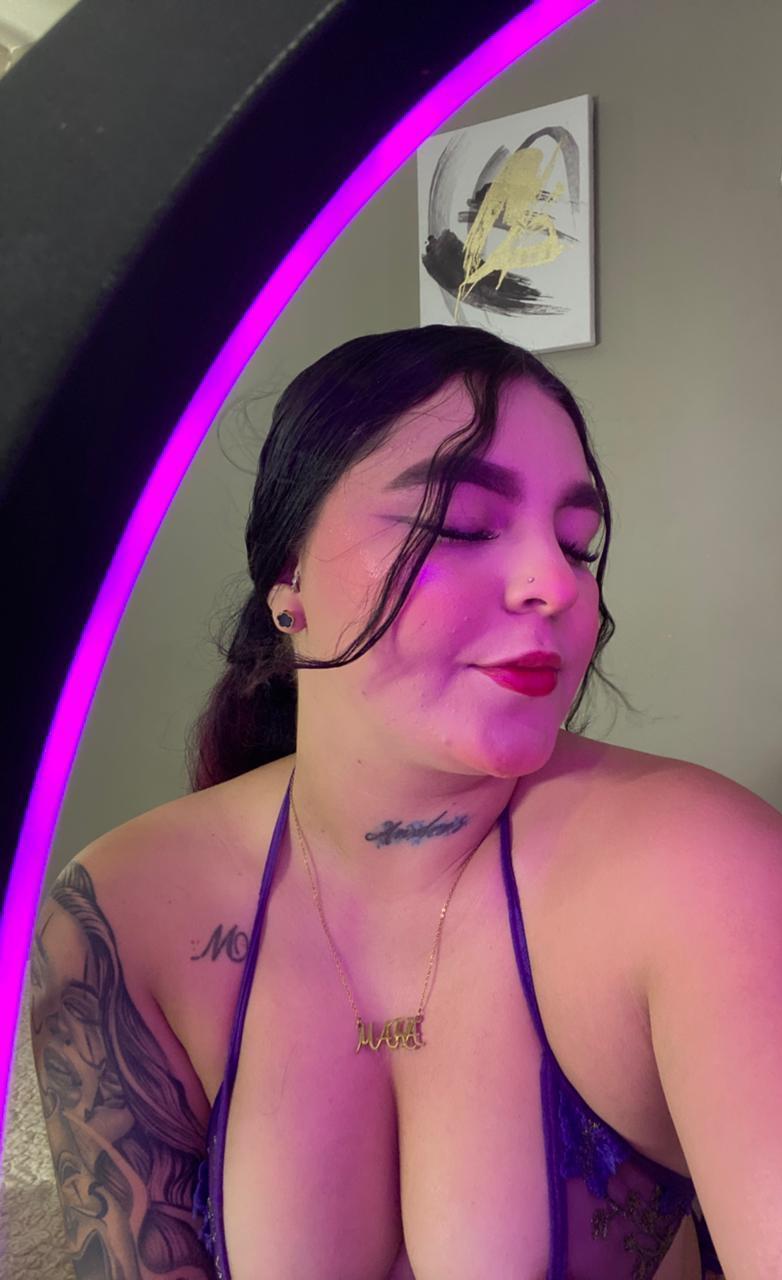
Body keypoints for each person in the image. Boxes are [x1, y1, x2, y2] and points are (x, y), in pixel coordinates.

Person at [29, 324, 732, 1278]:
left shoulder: (687, 865)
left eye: (580, 544)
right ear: (290, 582)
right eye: (462, 523)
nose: (558, 585)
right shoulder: (117, 912)